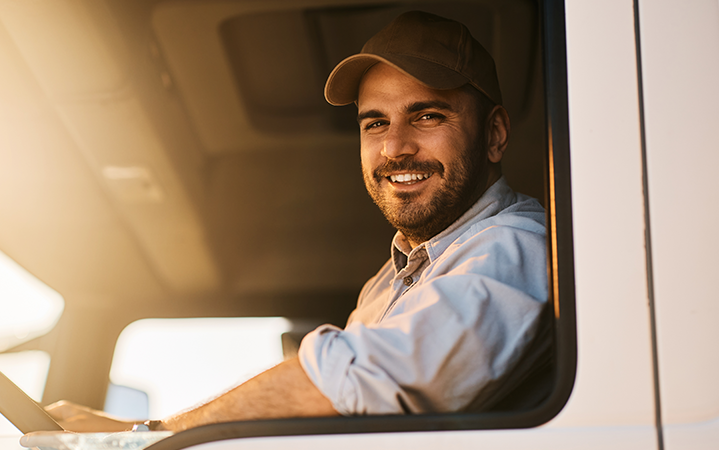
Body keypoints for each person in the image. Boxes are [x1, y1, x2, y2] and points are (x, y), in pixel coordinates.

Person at [40, 10, 548, 433]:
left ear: (495, 134)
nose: (394, 146)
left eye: (427, 116)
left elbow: (360, 377)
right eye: (375, 123)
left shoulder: (517, 246)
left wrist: (144, 437)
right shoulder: (390, 281)